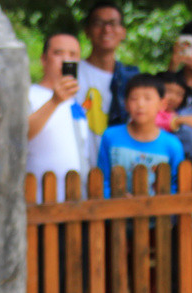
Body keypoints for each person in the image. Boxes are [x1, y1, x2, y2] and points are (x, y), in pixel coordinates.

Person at [76, 1, 141, 168]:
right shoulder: (73, 74)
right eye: (98, 23)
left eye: (112, 23)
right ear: (87, 31)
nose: (106, 29)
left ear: (123, 32)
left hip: (120, 170)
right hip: (76, 170)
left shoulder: (131, 78)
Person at [97, 74, 185, 196]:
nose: (141, 105)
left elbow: (176, 187)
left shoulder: (172, 145)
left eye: (148, 98)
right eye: (134, 98)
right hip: (117, 212)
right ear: (126, 103)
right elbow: (102, 180)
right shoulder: (111, 137)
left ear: (162, 104)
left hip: (158, 213)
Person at [28, 32, 87, 201]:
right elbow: (21, 134)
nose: (66, 60)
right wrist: (54, 101)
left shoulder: (77, 101)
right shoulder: (29, 95)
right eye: (58, 53)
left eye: (73, 55)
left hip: (76, 202)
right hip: (39, 200)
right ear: (43, 59)